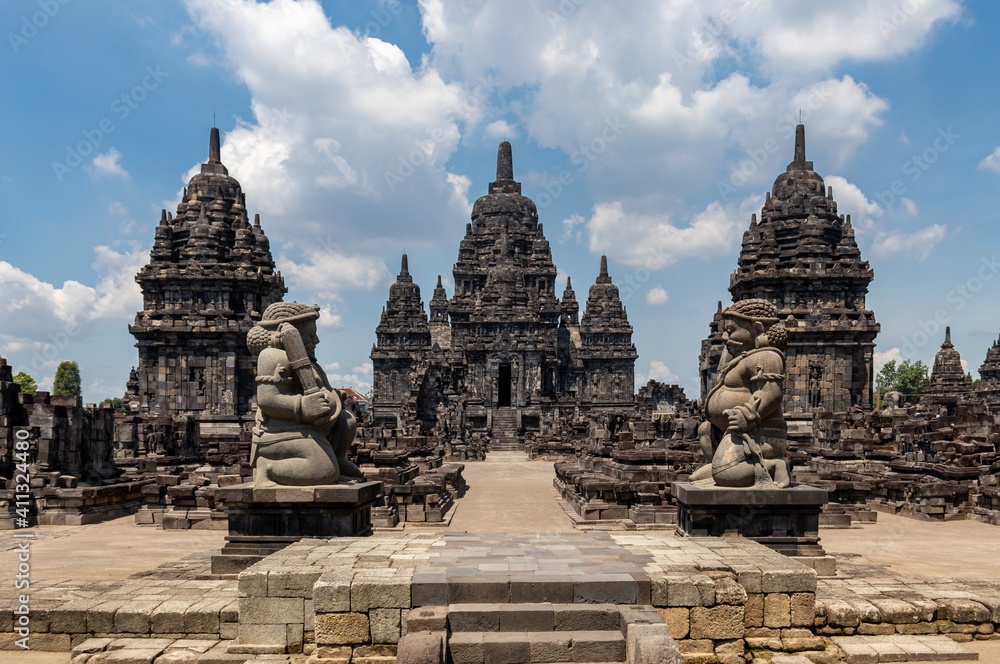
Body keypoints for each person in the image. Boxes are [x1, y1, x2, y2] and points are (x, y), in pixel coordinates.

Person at [247, 302, 363, 486]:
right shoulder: (271, 356)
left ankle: (338, 457)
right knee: (324, 471)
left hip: (314, 426)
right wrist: (301, 407)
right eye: (310, 335)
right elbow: (267, 399)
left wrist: (333, 396)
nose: (316, 340)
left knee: (347, 420)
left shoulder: (307, 362)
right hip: (282, 430)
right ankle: (267, 469)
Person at [691, 298, 790, 488]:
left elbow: (771, 393)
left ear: (758, 329)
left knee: (724, 475)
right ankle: (719, 465)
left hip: (755, 432)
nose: (726, 338)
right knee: (704, 432)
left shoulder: (767, 356)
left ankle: (773, 467)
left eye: (731, 331)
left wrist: (749, 416)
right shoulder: (743, 357)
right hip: (728, 430)